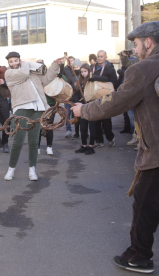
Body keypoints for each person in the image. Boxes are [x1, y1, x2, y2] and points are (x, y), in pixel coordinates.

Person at [71, 21, 159, 274]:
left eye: (136, 44)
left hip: (156, 154)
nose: (135, 49)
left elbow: (115, 102)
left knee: (145, 205)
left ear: (148, 42)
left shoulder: (144, 69)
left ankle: (139, 256)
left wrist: (83, 110)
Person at [3, 51, 61, 181]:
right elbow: (24, 74)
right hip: (21, 107)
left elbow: (46, 79)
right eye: (11, 61)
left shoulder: (30, 71)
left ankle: (32, 170)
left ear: (19, 60)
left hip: (38, 108)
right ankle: (11, 169)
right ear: (9, 63)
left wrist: (55, 65)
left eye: (16, 60)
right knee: (18, 140)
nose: (14, 63)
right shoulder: (10, 73)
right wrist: (26, 64)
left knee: (34, 141)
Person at [91, 50, 118, 148]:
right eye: (98, 56)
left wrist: (102, 80)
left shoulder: (110, 69)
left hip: (105, 98)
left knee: (106, 122)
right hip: (94, 98)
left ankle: (110, 138)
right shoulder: (92, 68)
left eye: (101, 56)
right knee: (96, 121)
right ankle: (99, 141)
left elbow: (115, 83)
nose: (99, 58)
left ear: (105, 57)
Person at [73, 63, 96, 155]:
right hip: (82, 107)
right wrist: (76, 101)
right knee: (83, 128)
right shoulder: (79, 82)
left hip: (92, 107)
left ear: (89, 71)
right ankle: (84, 145)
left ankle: (91, 146)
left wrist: (93, 79)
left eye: (85, 71)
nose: (83, 73)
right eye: (82, 72)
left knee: (92, 127)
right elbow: (76, 94)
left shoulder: (93, 81)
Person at [63, 56, 76, 138]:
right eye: (69, 61)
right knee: (67, 113)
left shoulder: (77, 69)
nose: (71, 62)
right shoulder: (65, 69)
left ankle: (78, 132)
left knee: (76, 114)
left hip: (76, 95)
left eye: (72, 61)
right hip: (67, 95)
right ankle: (69, 130)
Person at [70, 58, 82, 140]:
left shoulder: (83, 76)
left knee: (83, 118)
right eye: (74, 67)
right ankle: (76, 132)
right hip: (74, 99)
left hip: (81, 99)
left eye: (77, 67)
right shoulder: (72, 76)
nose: (76, 69)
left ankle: (83, 132)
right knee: (75, 117)